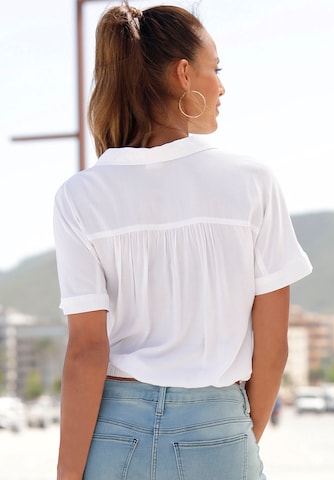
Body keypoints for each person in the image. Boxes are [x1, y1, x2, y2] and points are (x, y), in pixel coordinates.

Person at [53, 2, 312, 479]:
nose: (222, 84)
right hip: (218, 428)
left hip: (112, 433)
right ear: (184, 74)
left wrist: (68, 474)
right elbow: (272, 347)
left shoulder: (79, 196)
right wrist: (231, 436)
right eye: (216, 68)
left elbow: (87, 353)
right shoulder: (252, 181)